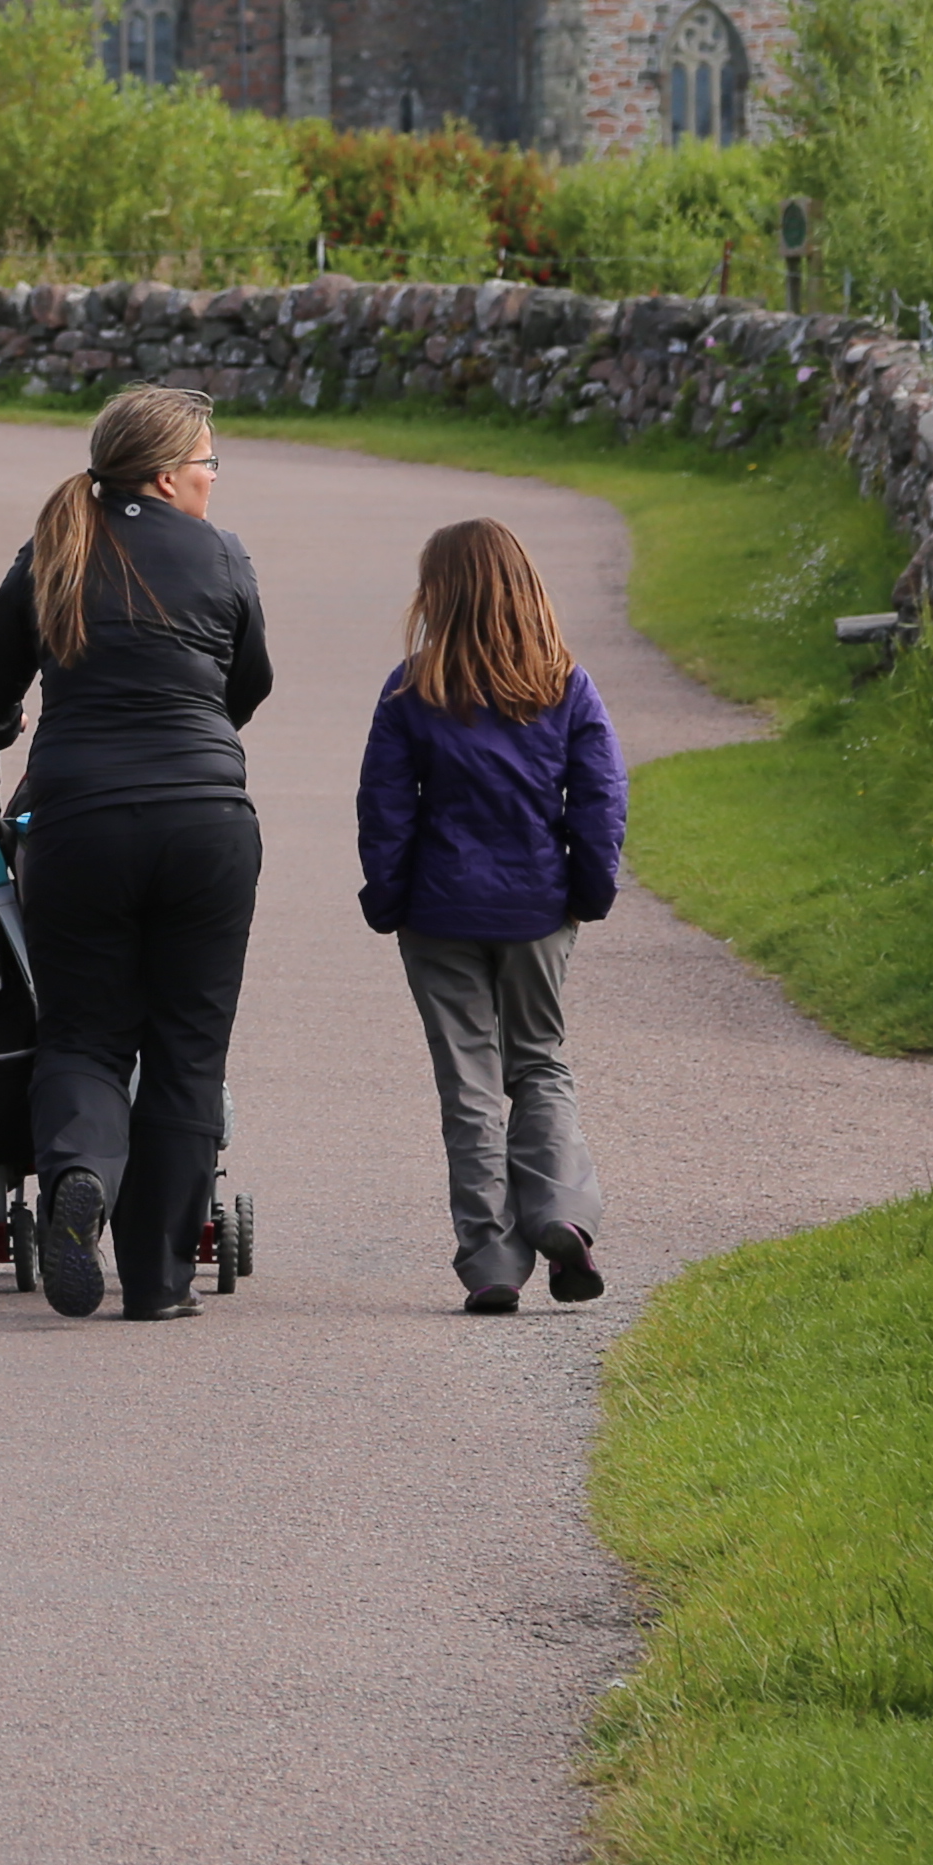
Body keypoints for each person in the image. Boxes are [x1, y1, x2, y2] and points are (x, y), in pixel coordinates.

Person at [0, 386, 271, 1319]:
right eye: (209, 465)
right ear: (168, 474)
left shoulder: (54, 546)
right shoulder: (221, 555)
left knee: (85, 1031)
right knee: (187, 1048)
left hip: (79, 818)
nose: (213, 482)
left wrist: (1, 720)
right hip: (206, 819)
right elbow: (247, 683)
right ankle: (158, 1284)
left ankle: (78, 1178)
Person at [353, 519, 626, 1316]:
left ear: (439, 594)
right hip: (539, 906)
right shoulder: (565, 684)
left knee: (468, 1080)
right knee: (539, 1062)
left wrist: (387, 898)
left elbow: (385, 810)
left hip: (439, 911)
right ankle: (562, 1214)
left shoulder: (412, 689)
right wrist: (588, 891)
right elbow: (600, 800)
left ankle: (493, 1259)